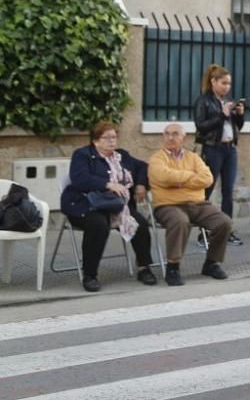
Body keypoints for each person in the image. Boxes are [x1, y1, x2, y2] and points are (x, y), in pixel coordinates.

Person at [63, 121, 157, 292]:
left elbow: (143, 167)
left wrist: (141, 185)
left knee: (141, 223)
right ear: (96, 140)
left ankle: (144, 268)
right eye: (107, 138)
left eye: (114, 137)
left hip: (117, 207)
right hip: (86, 205)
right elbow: (79, 179)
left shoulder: (122, 156)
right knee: (98, 225)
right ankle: (90, 274)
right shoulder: (83, 155)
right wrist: (107, 184)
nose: (112, 141)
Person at [147, 124, 233, 286]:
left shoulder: (193, 158)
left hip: (198, 204)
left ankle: (212, 263)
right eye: (166, 134)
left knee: (224, 222)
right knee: (180, 221)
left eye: (175, 134)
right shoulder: (157, 159)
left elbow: (207, 179)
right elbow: (164, 177)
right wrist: (191, 178)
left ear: (183, 138)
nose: (170, 138)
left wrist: (179, 181)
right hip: (168, 205)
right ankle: (173, 266)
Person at [193, 63, 245, 246]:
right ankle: (204, 231)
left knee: (228, 191)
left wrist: (239, 115)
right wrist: (222, 115)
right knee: (207, 189)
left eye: (229, 83)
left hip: (230, 149)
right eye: (224, 83)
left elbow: (237, 127)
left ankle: (227, 229)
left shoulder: (227, 100)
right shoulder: (204, 101)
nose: (227, 87)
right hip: (212, 149)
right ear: (213, 82)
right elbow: (201, 126)